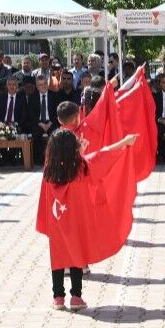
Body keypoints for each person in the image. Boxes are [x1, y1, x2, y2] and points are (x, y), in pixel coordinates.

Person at [37, 127, 139, 311]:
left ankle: (58, 298)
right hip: (77, 221)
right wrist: (125, 142)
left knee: (58, 258)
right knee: (78, 255)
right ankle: (76, 297)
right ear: (73, 149)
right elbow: (104, 154)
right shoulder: (81, 167)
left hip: (57, 220)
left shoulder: (49, 170)